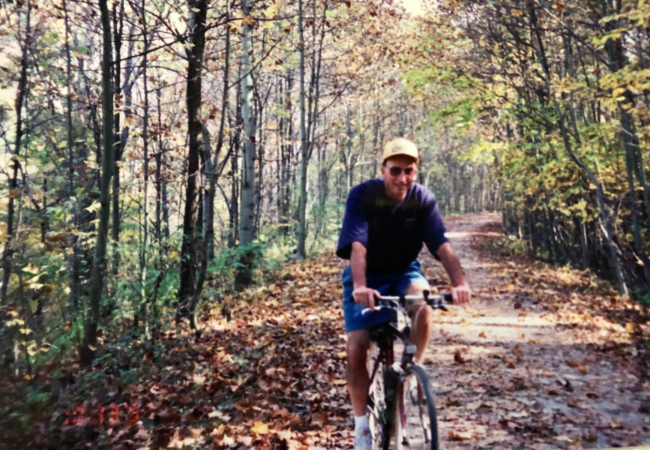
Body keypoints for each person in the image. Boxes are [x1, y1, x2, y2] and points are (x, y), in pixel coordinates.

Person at [336, 138, 472, 450]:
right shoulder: (364, 196)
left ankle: (413, 370)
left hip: (404, 271)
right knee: (357, 349)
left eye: (408, 170)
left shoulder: (422, 199)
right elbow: (357, 245)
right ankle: (361, 430)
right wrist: (359, 286)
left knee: (422, 302)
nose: (402, 178)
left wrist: (459, 283)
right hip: (366, 274)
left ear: (415, 171)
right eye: (395, 170)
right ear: (383, 170)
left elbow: (442, 245)